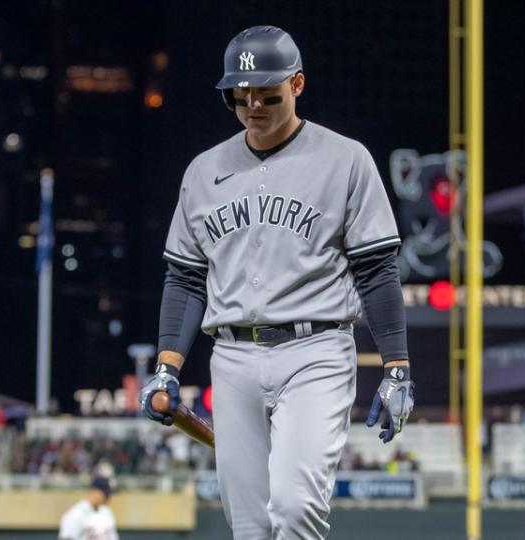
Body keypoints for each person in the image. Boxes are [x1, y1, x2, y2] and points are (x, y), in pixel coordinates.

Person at [139, 25, 414, 539]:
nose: (252, 105)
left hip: (316, 350)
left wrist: (396, 367)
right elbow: (186, 277)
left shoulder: (346, 159)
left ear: (298, 84)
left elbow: (376, 270)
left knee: (293, 509)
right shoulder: (203, 171)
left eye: (266, 93)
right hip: (234, 357)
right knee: (250, 527)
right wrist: (166, 367)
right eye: (240, 95)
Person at [58, 476, 119, 540]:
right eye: (106, 495)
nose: (109, 498)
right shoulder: (75, 514)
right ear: (94, 491)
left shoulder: (107, 512)